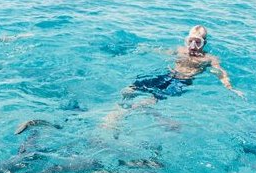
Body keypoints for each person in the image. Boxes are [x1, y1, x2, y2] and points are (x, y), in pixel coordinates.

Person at [102, 25, 244, 129]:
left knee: (153, 99)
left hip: (182, 81)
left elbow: (221, 73)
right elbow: (160, 51)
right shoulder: (180, 50)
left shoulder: (208, 58)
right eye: (190, 41)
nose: (193, 46)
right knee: (133, 86)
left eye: (198, 42)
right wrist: (141, 48)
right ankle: (115, 111)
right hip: (167, 74)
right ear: (186, 40)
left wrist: (230, 88)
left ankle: (127, 113)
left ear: (204, 43)